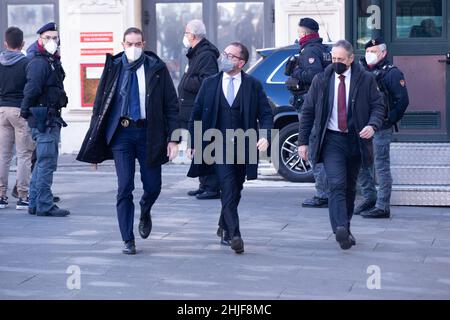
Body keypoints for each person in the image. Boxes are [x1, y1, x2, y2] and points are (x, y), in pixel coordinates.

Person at [77, 27, 179, 255]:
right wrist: (94, 148)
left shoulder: (157, 69)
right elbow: (100, 107)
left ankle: (145, 209)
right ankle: (128, 239)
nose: (133, 48)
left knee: (153, 186)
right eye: (129, 44)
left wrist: (173, 139)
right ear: (122, 45)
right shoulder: (114, 67)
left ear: (144, 44)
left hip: (149, 134)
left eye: (137, 44)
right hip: (121, 135)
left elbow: (171, 104)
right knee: (124, 186)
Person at [187, 42, 273, 254]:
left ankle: (223, 223)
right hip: (216, 145)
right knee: (227, 186)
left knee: (236, 187)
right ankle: (234, 234)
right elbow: (196, 114)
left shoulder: (252, 84)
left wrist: (266, 136)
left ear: (241, 62)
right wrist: (194, 143)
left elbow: (266, 114)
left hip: (244, 145)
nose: (224, 58)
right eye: (224, 53)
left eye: (230, 55)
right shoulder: (209, 83)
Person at [298, 40, 385, 250]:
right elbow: (308, 112)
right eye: (334, 58)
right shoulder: (322, 79)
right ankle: (339, 228)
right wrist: (303, 142)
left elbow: (378, 105)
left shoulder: (365, 79)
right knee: (336, 183)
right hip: (332, 140)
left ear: (351, 59)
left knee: (348, 186)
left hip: (356, 140)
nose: (336, 62)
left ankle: (345, 226)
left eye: (341, 59)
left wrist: (373, 125)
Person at [355, 37, 409, 219]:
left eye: (374, 51)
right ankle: (369, 198)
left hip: (381, 127)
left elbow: (402, 101)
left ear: (384, 53)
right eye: (368, 51)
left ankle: (382, 205)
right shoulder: (359, 70)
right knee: (360, 164)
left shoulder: (392, 73)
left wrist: (388, 119)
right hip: (361, 125)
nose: (369, 54)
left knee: (381, 165)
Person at [20, 22, 70, 217]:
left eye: (55, 38)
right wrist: (25, 112)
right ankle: (44, 204)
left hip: (46, 117)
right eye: (48, 38)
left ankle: (34, 203)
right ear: (39, 39)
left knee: (42, 161)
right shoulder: (39, 62)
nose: (52, 41)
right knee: (47, 162)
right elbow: (31, 89)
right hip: (44, 118)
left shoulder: (50, 60)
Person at [285, 17, 331, 209]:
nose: (298, 35)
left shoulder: (310, 50)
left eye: (299, 32)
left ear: (304, 33)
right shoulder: (318, 48)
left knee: (313, 148)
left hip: (309, 105)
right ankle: (326, 192)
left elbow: (315, 75)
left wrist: (296, 75)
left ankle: (323, 194)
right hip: (316, 105)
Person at [179, 20, 221, 200]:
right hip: (194, 108)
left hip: (203, 108)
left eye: (186, 32)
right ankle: (204, 184)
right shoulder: (197, 53)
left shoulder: (205, 54)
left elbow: (208, 80)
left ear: (193, 36)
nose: (185, 36)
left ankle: (212, 187)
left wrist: (186, 81)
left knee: (205, 147)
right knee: (198, 146)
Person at [0, 27, 34, 210]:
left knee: (3, 155)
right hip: (20, 110)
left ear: (6, 43)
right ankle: (22, 196)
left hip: (2, 111)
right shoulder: (26, 62)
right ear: (22, 44)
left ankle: (1, 196)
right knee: (24, 155)